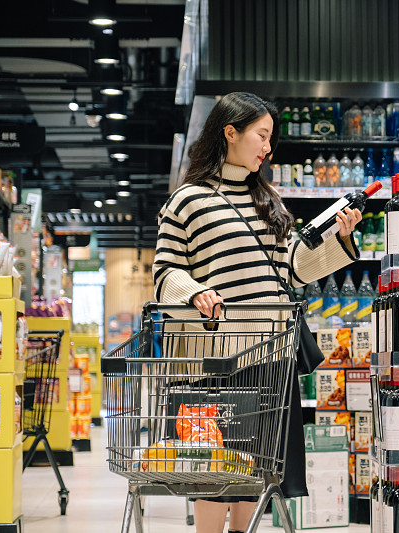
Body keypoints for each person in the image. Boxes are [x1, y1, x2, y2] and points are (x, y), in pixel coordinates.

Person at [152, 92, 362, 533]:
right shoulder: (187, 200)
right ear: (230, 132)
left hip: (269, 353)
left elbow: (291, 270)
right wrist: (194, 292)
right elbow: (165, 270)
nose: (268, 147)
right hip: (212, 358)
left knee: (253, 469)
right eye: (261, 135)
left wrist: (339, 240)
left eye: (271, 138)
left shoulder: (268, 198)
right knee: (212, 470)